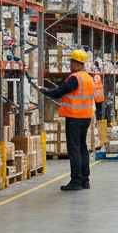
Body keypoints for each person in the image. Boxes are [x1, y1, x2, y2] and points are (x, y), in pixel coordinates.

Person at [40, 50, 95, 191]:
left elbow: (59, 92)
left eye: (72, 62)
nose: (70, 65)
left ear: (77, 63)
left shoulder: (74, 78)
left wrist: (45, 91)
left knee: (74, 148)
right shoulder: (88, 78)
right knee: (82, 147)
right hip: (86, 117)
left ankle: (76, 180)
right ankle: (85, 180)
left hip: (74, 117)